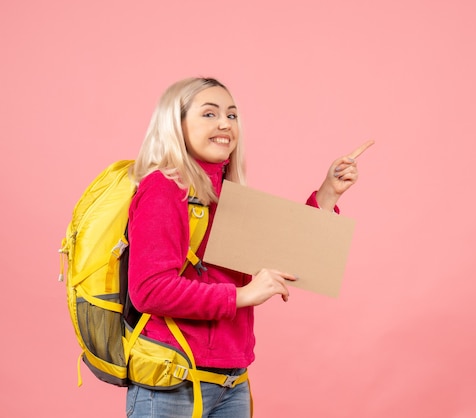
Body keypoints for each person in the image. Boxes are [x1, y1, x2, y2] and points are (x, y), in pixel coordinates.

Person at [125, 77, 373, 417]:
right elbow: (149, 290)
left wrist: (329, 192)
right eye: (209, 114)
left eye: (232, 115)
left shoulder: (226, 192)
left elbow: (287, 255)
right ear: (175, 124)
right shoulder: (163, 188)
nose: (225, 123)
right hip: (173, 383)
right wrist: (241, 295)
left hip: (231, 382)